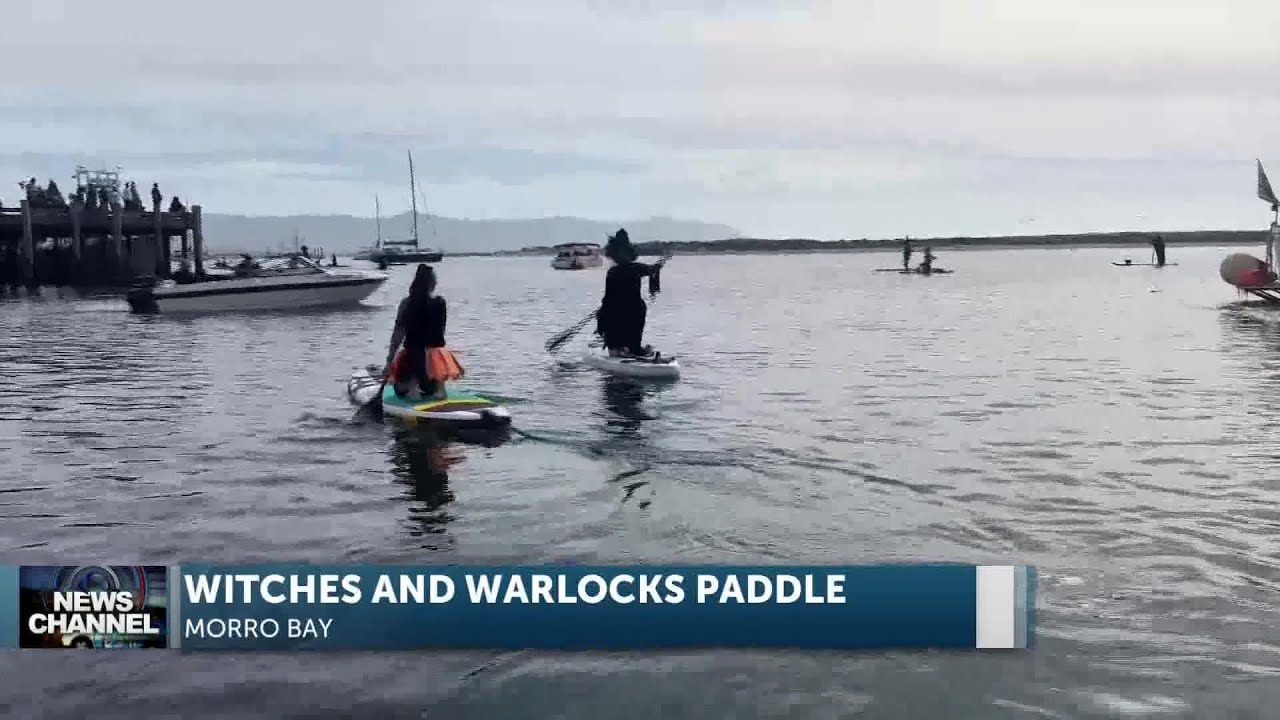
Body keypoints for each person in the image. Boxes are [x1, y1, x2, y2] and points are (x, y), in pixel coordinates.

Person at [382, 264, 464, 400]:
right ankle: (439, 389)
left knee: (400, 388)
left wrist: (389, 362)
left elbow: (397, 335)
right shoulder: (440, 303)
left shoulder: (407, 304)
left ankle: (413, 388)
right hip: (437, 362)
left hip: (415, 360)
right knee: (433, 352)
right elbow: (439, 333)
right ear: (432, 283)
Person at [595, 228, 663, 358]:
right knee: (637, 308)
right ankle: (632, 347)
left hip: (619, 309)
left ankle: (618, 347)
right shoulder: (636, 268)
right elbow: (651, 270)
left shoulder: (613, 272)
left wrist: (602, 311)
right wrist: (658, 266)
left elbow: (608, 298)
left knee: (617, 311)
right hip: (630, 309)